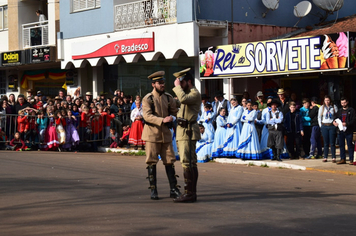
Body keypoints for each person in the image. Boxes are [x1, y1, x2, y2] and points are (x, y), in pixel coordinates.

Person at [141, 70, 181, 200]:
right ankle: (153, 190)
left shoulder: (169, 98)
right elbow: (146, 115)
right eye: (159, 83)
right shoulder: (148, 98)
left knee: (170, 161)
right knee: (152, 161)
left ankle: (173, 189)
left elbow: (175, 112)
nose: (162, 85)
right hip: (152, 134)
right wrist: (162, 120)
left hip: (166, 134)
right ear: (153, 84)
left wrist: (173, 118)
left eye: (163, 82)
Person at [172, 68, 201, 203]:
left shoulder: (194, 94)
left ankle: (189, 193)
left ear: (188, 81)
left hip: (188, 131)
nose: (180, 84)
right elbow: (180, 101)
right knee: (188, 162)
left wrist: (177, 87)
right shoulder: (188, 94)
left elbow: (183, 99)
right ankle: (190, 192)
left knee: (188, 162)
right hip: (183, 131)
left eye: (182, 81)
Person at [333, 97, 355, 165]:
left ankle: (351, 159)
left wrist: (347, 124)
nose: (343, 104)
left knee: (350, 145)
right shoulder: (339, 111)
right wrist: (334, 122)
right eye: (342, 103)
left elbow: (353, 120)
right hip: (340, 130)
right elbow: (335, 118)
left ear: (347, 102)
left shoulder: (351, 110)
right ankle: (343, 159)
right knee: (341, 145)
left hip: (348, 130)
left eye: (344, 103)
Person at [318, 95, 338, 163]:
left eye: (328, 100)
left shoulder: (334, 107)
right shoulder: (322, 108)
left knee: (332, 143)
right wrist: (321, 126)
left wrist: (335, 123)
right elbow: (319, 117)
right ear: (324, 101)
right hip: (324, 126)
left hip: (331, 126)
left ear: (330, 100)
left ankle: (333, 157)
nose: (327, 102)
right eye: (326, 100)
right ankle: (325, 156)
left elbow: (336, 116)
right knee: (325, 143)